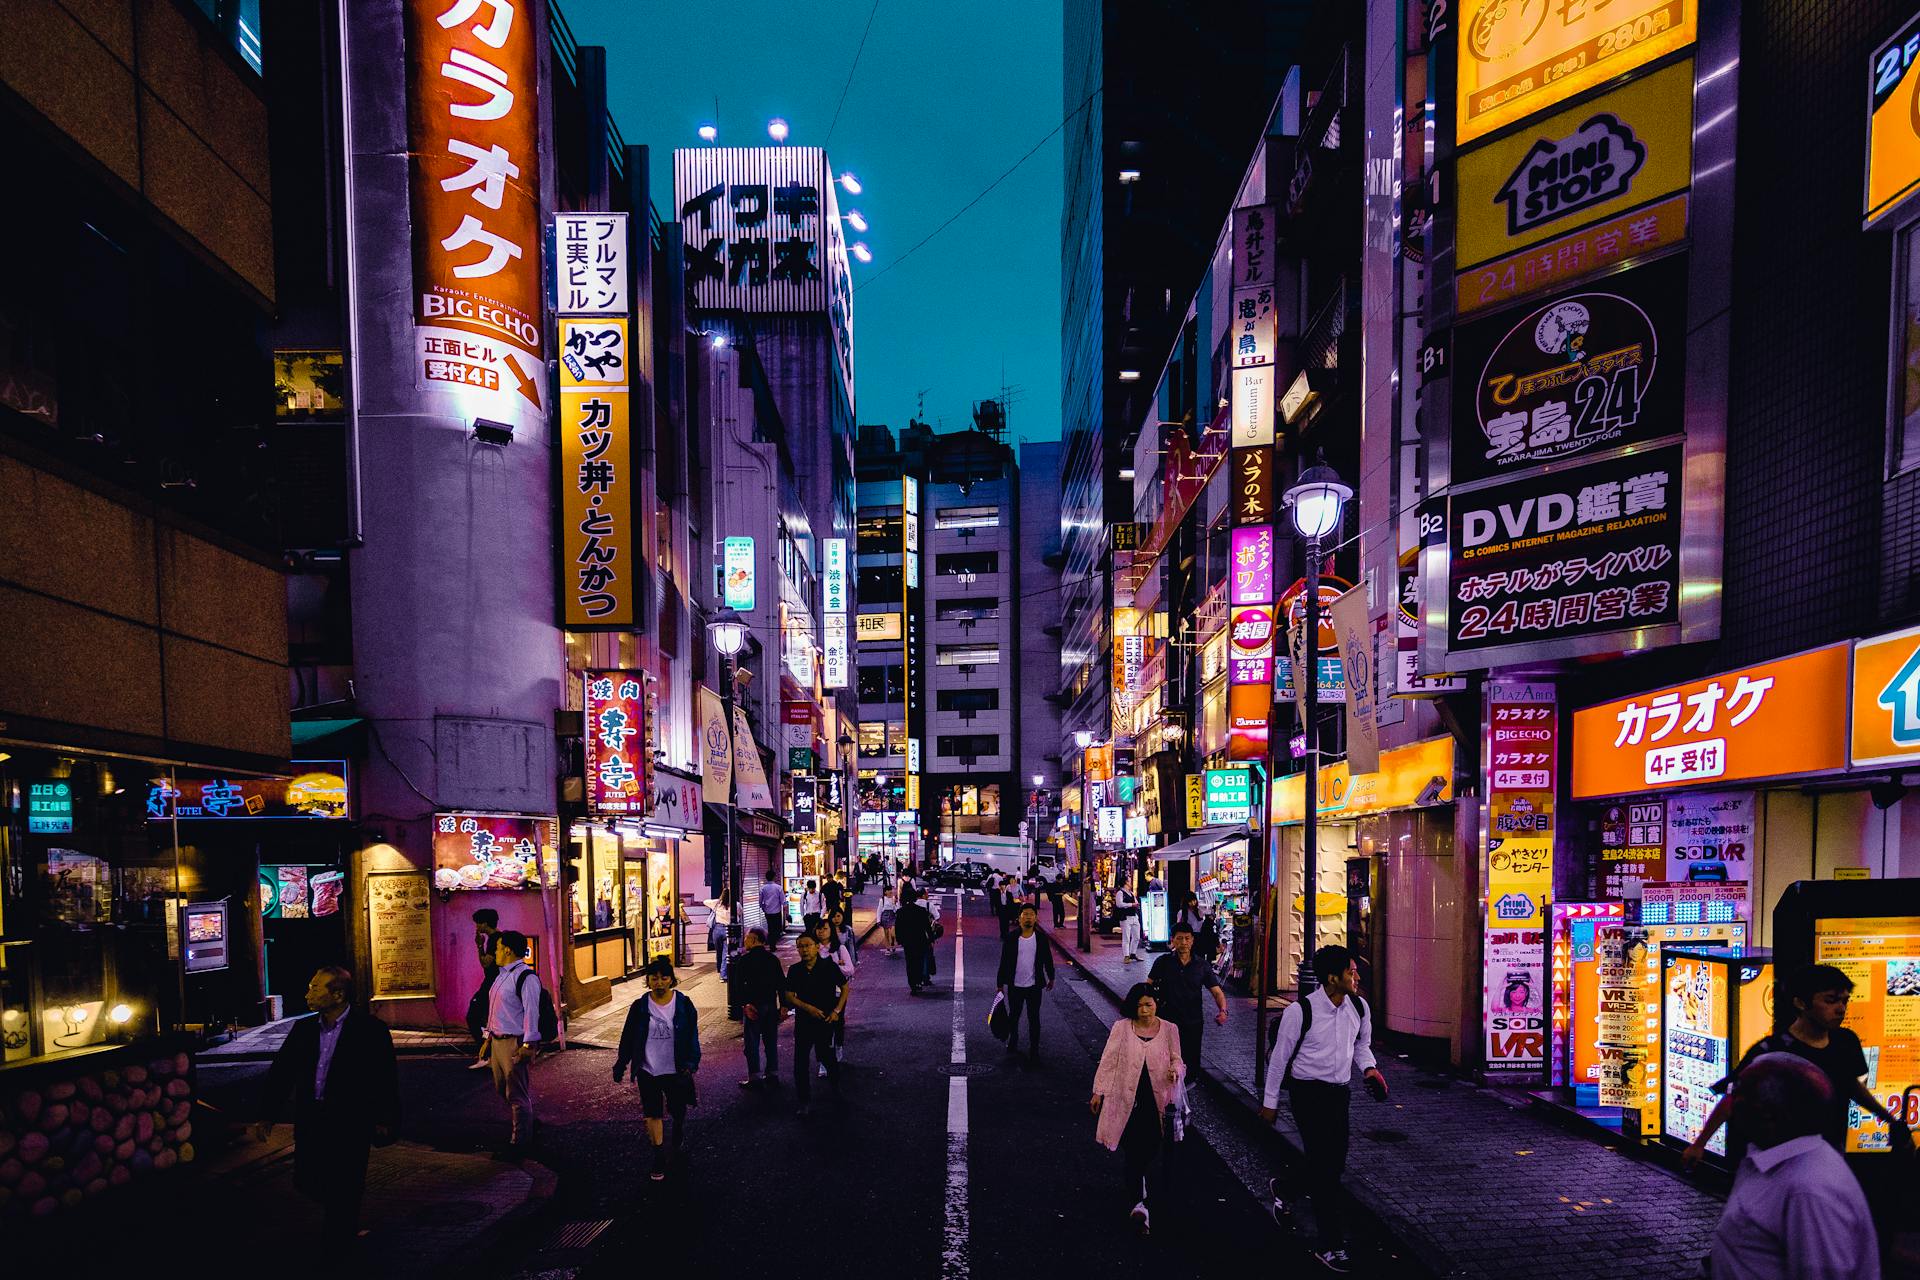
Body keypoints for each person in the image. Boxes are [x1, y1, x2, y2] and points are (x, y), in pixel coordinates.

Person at [1685, 962, 1913, 1168]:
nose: (1841, 1009)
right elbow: (1734, 1098)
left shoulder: (1846, 1042)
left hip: (1830, 1155)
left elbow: (1850, 1085)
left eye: (1844, 1000)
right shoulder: (1771, 1050)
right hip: (1779, 1161)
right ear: (1801, 1003)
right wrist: (1699, 1143)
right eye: (1830, 1000)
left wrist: (1890, 1119)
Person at [1260, 945, 1386, 1275]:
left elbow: (1362, 1046)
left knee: (1332, 1164)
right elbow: (1278, 1060)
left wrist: (1369, 1069)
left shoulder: (1359, 1007)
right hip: (1307, 1095)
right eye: (1351, 971)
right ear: (1332, 978)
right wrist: (1269, 1104)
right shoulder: (1300, 1012)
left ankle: (1285, 1189)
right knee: (1326, 1171)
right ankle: (1330, 1245)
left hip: (1338, 1094)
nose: (1357, 976)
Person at [254, 966, 399, 1244]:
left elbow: (384, 1077)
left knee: (348, 1180)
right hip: (312, 1119)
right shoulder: (304, 1029)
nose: (308, 994)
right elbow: (282, 1072)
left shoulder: (369, 1030)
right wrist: (267, 1114)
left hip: (350, 1120)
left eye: (315, 988)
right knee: (306, 1178)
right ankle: (340, 1218)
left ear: (337, 995)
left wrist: (385, 1118)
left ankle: (339, 1239)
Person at [1708, 1052, 1881, 1280]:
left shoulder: (1809, 1189)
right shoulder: (1763, 1159)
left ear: (1770, 1114)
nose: (1731, 1111)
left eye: (1739, 1101)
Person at [1090, 982, 1184, 1236]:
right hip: (1125, 1099)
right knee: (1132, 1150)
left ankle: (1139, 1179)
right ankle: (1138, 1205)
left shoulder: (1169, 1029)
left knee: (1152, 1145)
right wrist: (1099, 1091)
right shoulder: (1122, 1028)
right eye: (1140, 1005)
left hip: (1157, 1100)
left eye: (1149, 1004)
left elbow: (1177, 1058)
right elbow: (1109, 1060)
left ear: (1156, 1005)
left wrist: (1176, 1069)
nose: (1144, 1010)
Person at [613, 958, 701, 1181]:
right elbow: (628, 1037)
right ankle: (658, 1155)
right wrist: (621, 1064)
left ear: (672, 979)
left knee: (677, 1109)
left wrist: (692, 1062)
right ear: (648, 980)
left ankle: (678, 1128)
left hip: (675, 1069)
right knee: (652, 1113)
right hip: (648, 1069)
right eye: (654, 978)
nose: (659, 982)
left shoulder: (683, 1004)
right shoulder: (640, 1006)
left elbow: (692, 1035)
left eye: (664, 978)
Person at [485, 930, 544, 1152]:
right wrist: (488, 1038)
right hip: (497, 1041)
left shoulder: (526, 977)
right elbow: (496, 1010)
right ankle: (528, 1121)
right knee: (503, 1090)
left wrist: (528, 1044)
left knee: (516, 1094)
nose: (496, 951)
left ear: (507, 949)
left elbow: (531, 1012)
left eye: (498, 947)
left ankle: (519, 1143)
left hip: (514, 1042)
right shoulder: (502, 975)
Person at [1149, 920, 1229, 1069]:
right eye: (1179, 938)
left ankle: (1186, 1089)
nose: (1184, 942)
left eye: (1187, 938)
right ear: (1172, 940)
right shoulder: (1162, 962)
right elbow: (1147, 987)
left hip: (1193, 1021)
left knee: (1191, 1062)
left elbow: (1217, 992)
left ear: (1192, 940)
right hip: (1167, 1021)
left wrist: (1223, 1010)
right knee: (1165, 1062)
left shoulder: (1202, 965)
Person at [784, 933, 848, 1115]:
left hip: (825, 1021)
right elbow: (789, 995)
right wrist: (807, 1008)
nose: (804, 950)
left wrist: (837, 1011)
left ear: (817, 946)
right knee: (800, 1062)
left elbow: (844, 987)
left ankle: (835, 1086)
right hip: (803, 1023)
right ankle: (804, 1101)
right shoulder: (795, 970)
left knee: (826, 1056)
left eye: (807, 945)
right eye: (800, 946)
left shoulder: (829, 967)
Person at [997, 903, 1056, 1068]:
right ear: (1019, 917)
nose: (1028, 917)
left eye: (1031, 914)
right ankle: (1013, 1039)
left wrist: (1051, 977)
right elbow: (1004, 961)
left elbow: (1047, 959)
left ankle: (1034, 1050)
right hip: (1015, 985)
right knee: (1014, 1016)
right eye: (1025, 914)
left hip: (1034, 986)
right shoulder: (1011, 937)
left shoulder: (1041, 938)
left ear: (1036, 917)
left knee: (1034, 1019)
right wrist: (1000, 983)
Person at [728, 926, 785, 1088]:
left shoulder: (744, 960)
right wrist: (783, 1005)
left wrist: (745, 1004)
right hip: (770, 1005)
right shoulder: (772, 959)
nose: (744, 940)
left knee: (752, 1043)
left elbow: (738, 987)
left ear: (754, 940)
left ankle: (755, 1077)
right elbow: (781, 983)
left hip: (753, 1006)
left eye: (747, 938)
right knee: (771, 1041)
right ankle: (772, 1073)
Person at [466, 909, 501, 1071]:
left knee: (473, 1016)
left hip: (491, 984)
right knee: (486, 1020)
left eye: (478, 923)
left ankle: (486, 1055)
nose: (477, 926)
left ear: (485, 923)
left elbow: (486, 963)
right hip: (494, 983)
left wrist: (479, 946)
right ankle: (489, 1054)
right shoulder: (496, 938)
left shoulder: (494, 940)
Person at [896, 886, 935, 995]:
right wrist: (931, 938)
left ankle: (912, 984)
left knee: (910, 962)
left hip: (908, 941)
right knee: (919, 961)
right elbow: (927, 927)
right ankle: (918, 981)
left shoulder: (901, 912)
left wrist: (900, 940)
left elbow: (898, 928)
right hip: (920, 940)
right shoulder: (921, 911)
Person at [703, 888, 732, 977]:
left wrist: (719, 900)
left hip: (717, 929)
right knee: (725, 952)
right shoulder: (735, 904)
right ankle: (723, 975)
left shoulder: (717, 903)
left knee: (718, 951)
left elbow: (705, 901)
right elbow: (740, 911)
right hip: (728, 930)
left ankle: (719, 969)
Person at [758, 870, 788, 946]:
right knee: (776, 928)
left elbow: (760, 901)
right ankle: (772, 943)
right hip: (777, 911)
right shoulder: (778, 888)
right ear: (774, 877)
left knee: (770, 927)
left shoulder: (763, 888)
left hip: (767, 912)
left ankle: (771, 942)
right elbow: (783, 901)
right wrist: (786, 911)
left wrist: (763, 908)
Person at [1115, 882, 1142, 961]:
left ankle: (1132, 953)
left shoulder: (1131, 893)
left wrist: (1136, 905)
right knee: (1126, 937)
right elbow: (1119, 904)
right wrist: (1131, 905)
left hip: (1134, 916)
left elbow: (1136, 902)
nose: (1130, 883)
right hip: (1125, 917)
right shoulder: (1120, 893)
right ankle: (1126, 956)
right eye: (1129, 882)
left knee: (1137, 937)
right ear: (1125, 883)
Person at [877, 880, 900, 955]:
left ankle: (893, 941)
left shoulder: (894, 899)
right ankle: (888, 949)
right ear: (885, 892)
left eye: (891, 890)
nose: (890, 892)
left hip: (892, 915)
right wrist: (878, 920)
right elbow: (879, 910)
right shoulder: (882, 900)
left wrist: (895, 903)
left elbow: (897, 909)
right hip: (885, 916)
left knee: (893, 932)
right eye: (889, 890)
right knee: (886, 933)